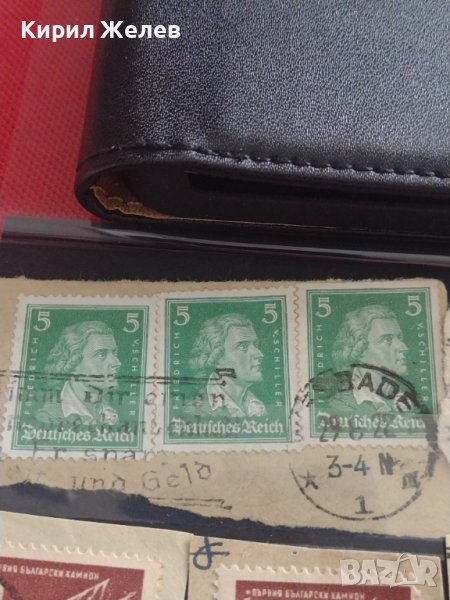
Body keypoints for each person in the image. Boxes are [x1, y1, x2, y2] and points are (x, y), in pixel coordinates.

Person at [36, 321, 121, 426]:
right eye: (101, 354)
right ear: (72, 362)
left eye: (114, 353)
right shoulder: (48, 416)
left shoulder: (112, 411)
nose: (117, 362)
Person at [330, 304, 408, 415]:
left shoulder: (408, 400)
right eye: (387, 339)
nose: (403, 347)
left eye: (399, 338)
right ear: (358, 350)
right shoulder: (340, 406)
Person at [187, 313, 266, 418]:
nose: (259, 354)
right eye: (243, 346)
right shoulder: (193, 411)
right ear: (215, 357)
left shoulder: (257, 407)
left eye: (255, 345)